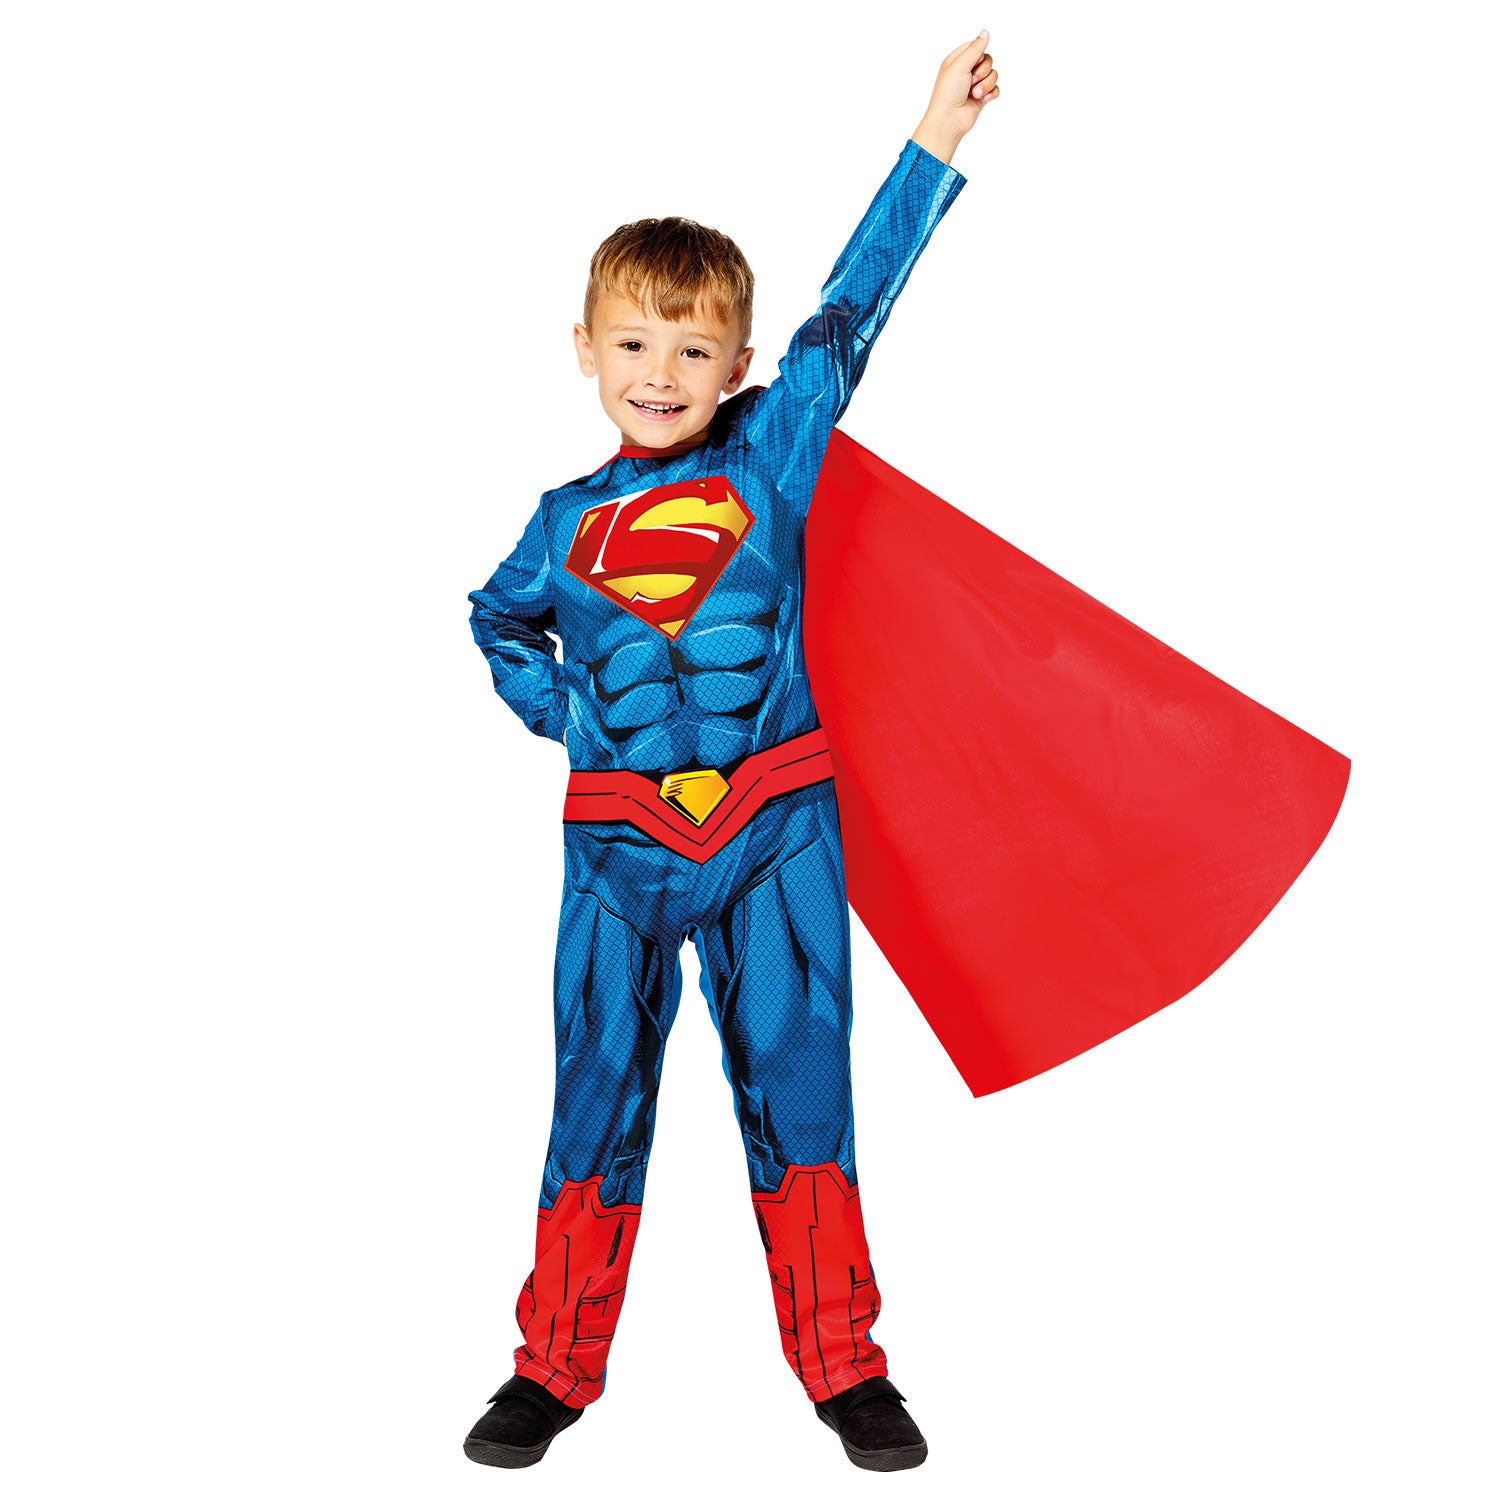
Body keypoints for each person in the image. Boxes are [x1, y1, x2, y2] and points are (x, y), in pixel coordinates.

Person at [461, 30, 1000, 1474]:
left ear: (736, 365)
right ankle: (552, 1370)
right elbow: (495, 618)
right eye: (634, 344)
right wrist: (561, 712)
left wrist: (934, 137)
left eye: (694, 349)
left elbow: (851, 315)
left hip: (775, 829)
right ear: (586, 351)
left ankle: (844, 1368)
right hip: (615, 848)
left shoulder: (771, 454)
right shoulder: (560, 520)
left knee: (804, 1092)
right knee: (594, 1097)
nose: (662, 373)